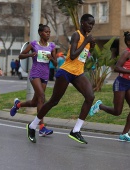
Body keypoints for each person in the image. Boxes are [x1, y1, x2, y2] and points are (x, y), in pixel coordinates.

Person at [26, 14, 96, 143]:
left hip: (78, 73)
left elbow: (84, 56)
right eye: (89, 23)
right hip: (66, 72)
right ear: (82, 22)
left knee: (90, 96)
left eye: (93, 24)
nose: (91, 26)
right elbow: (74, 55)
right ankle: (32, 126)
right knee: (53, 101)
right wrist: (86, 42)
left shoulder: (86, 38)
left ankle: (76, 130)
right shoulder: (77, 35)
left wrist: (91, 46)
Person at [10, 24, 57, 137]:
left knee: (35, 102)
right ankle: (41, 127)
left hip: (45, 75)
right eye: (46, 32)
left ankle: (18, 105)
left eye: (49, 32)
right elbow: (20, 56)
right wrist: (31, 54)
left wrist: (51, 58)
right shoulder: (34, 44)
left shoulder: (52, 46)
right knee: (42, 97)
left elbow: (56, 64)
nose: (48, 34)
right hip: (35, 74)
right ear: (41, 33)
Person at [89, 31, 130, 142]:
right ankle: (100, 106)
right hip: (121, 83)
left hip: (129, 84)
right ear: (128, 42)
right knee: (117, 111)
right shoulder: (126, 53)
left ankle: (124, 134)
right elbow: (116, 68)